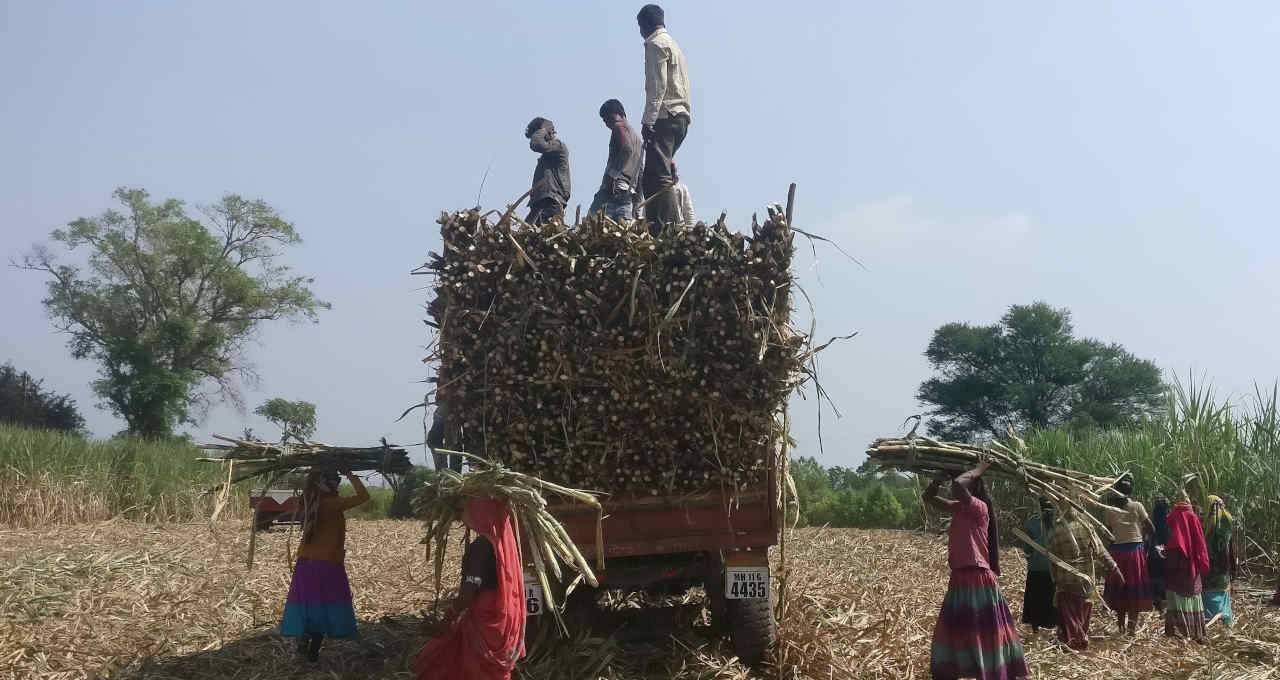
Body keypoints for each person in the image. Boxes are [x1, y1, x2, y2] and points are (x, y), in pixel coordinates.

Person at [923, 455, 1028, 680]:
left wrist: (979, 468)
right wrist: (937, 480)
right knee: (956, 632)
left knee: (983, 631)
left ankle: (992, 672)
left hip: (978, 577)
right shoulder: (959, 508)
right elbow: (928, 497)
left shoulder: (979, 508)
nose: (958, 487)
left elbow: (959, 484)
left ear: (973, 486)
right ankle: (961, 670)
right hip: (960, 578)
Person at [415, 497, 526, 680]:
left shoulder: (481, 546)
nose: (465, 515)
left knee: (477, 670)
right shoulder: (506, 543)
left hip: (485, 618)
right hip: (503, 616)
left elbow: (468, 591)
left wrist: (448, 618)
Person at [281, 467, 370, 661]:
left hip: (305, 565)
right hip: (326, 564)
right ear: (325, 484)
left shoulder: (310, 502)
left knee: (310, 607)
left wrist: (317, 472)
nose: (337, 484)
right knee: (324, 608)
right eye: (334, 481)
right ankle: (312, 651)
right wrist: (350, 474)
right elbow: (364, 496)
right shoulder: (331, 504)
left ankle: (306, 643)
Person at [637, 4, 691, 231]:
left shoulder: (655, 44)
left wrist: (648, 121)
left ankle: (666, 229)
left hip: (665, 115)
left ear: (645, 24)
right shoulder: (674, 45)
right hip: (681, 116)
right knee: (652, 176)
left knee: (659, 177)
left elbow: (657, 87)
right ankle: (656, 223)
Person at [1045, 502, 1119, 650]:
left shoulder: (1054, 532)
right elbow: (1101, 551)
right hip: (1086, 580)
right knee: (1083, 614)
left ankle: (1077, 642)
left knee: (1070, 618)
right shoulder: (1086, 526)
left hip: (1066, 581)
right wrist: (1114, 567)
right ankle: (1078, 641)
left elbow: (1051, 560)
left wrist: (1054, 579)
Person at [1102, 475, 1154, 634]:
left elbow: (1107, 533)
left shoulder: (1110, 510)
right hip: (1135, 552)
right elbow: (1151, 528)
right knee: (1135, 587)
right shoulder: (1137, 506)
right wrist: (1142, 537)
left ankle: (1121, 626)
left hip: (1118, 552)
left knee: (1120, 587)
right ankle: (1131, 627)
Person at [1163, 497, 1209, 642]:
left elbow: (1170, 549)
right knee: (1192, 596)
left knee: (1176, 598)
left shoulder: (1174, 521)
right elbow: (1200, 546)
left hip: (1176, 572)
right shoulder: (1193, 518)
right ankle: (1195, 632)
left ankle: (1179, 631)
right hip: (1192, 569)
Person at [589, 99, 642, 223]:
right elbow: (641, 171)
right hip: (628, 192)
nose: (607, 123)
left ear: (621, 114)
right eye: (604, 120)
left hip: (613, 188)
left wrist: (613, 175)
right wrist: (638, 202)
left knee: (591, 225)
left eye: (609, 118)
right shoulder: (637, 139)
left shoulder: (618, 127)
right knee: (621, 229)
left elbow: (626, 149)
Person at [1021, 498, 1058, 634]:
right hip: (1051, 569)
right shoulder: (1058, 523)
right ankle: (1049, 626)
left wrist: (1030, 554)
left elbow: (1027, 548)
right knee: (1048, 598)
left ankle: (1037, 627)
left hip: (1039, 568)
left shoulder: (1033, 522)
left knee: (1036, 598)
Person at [1201, 494, 1239, 628]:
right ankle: (1226, 624)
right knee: (1223, 598)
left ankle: (1210, 623)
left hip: (1210, 576)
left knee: (1209, 599)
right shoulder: (1226, 525)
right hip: (1223, 574)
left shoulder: (1208, 528)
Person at [525, 117, 570, 224]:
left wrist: (543, 129)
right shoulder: (547, 157)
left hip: (551, 202)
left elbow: (537, 144)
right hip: (541, 203)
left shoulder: (559, 147)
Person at [1148, 495, 1171, 613]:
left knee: (1156, 572)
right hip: (1164, 547)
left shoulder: (1156, 516)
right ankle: (1162, 600)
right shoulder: (1168, 516)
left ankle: (1158, 600)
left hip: (1156, 547)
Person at [671, 164, 696, 229]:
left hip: (678, 230)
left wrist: (691, 231)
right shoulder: (656, 188)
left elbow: (689, 213)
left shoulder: (681, 188)